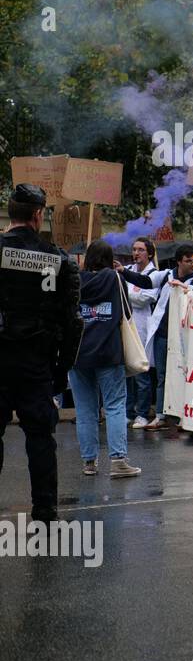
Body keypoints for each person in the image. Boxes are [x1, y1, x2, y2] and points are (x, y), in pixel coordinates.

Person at [0, 184, 83, 520]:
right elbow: (74, 322)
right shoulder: (59, 260)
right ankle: (45, 507)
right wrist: (62, 371)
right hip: (37, 363)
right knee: (39, 436)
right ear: (37, 215)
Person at [69, 240, 150, 478]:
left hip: (78, 353)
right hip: (108, 351)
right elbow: (127, 311)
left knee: (85, 409)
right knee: (114, 406)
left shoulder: (75, 280)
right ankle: (118, 461)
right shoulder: (115, 279)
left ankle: (89, 462)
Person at [141, 242, 193, 429]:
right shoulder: (167, 275)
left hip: (183, 336)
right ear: (179, 262)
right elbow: (146, 282)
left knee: (183, 374)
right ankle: (160, 414)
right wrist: (123, 272)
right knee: (162, 376)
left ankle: (183, 414)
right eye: (188, 261)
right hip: (162, 334)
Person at [125, 237, 160, 428]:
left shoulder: (154, 274)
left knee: (141, 373)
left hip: (142, 328)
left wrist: (124, 291)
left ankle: (142, 413)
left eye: (140, 250)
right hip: (126, 327)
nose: (136, 253)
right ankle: (128, 411)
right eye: (134, 249)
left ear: (149, 253)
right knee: (127, 372)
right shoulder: (128, 270)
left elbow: (144, 298)